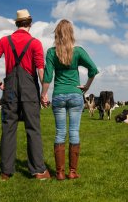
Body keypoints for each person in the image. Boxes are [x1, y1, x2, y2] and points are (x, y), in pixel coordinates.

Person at [0, 9, 50, 181]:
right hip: (29, 89)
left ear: (17, 24)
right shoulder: (35, 43)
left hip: (10, 90)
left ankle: (6, 172)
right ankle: (38, 171)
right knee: (33, 129)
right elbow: (40, 71)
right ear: (30, 23)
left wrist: (0, 83)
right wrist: (44, 94)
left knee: (8, 129)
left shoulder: (5, 41)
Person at [41, 19, 98, 180]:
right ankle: (72, 172)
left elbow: (47, 76)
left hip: (58, 95)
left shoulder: (52, 52)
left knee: (60, 132)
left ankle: (59, 173)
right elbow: (93, 69)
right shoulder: (78, 51)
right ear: (71, 33)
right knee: (74, 132)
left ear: (57, 34)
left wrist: (43, 94)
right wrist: (86, 86)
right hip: (75, 95)